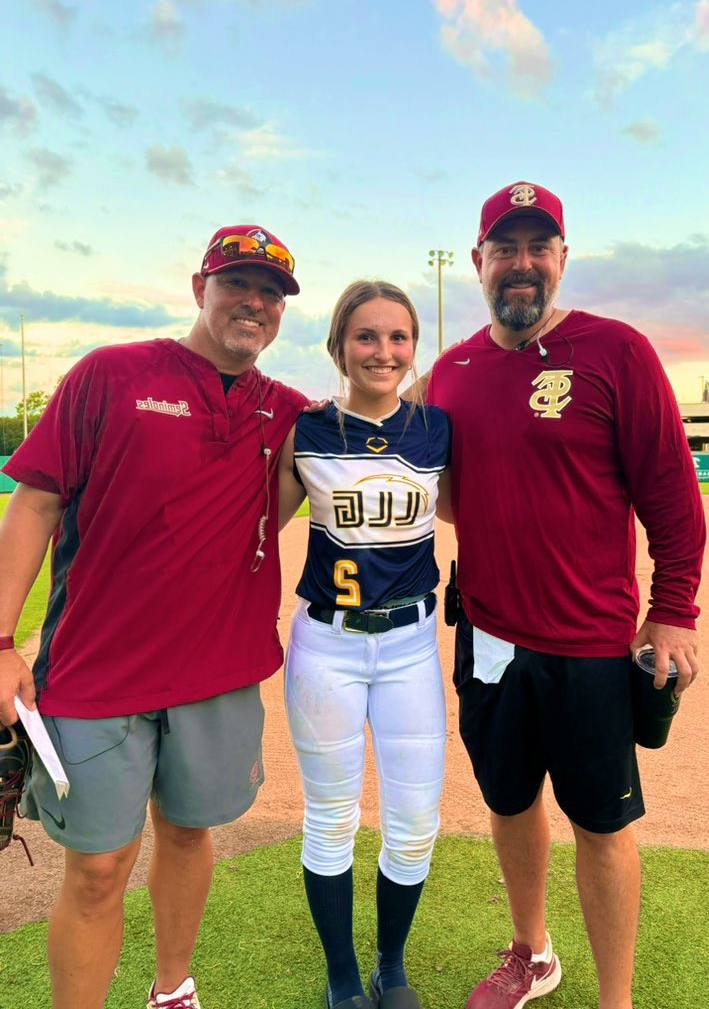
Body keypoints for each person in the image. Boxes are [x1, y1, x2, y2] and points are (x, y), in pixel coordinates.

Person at [0, 225, 307, 1009]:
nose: (254, 302)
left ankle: (173, 990)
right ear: (199, 286)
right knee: (98, 866)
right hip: (98, 669)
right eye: (238, 283)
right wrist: (1, 641)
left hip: (220, 672)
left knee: (188, 832)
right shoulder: (112, 374)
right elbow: (35, 502)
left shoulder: (291, 414)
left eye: (271, 293)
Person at [425, 182, 706, 1009]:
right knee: (508, 803)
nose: (521, 264)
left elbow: (671, 498)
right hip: (487, 636)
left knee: (603, 824)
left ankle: (612, 999)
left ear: (561, 258)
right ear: (478, 262)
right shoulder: (454, 369)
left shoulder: (616, 351)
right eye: (504, 249)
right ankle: (532, 953)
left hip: (590, 643)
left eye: (537, 247)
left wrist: (676, 609)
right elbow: (449, 492)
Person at [278, 280, 451, 1009]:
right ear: (339, 346)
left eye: (399, 337)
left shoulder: (437, 428)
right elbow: (245, 535)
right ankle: (343, 977)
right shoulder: (308, 430)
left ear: (414, 347)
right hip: (329, 646)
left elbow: (489, 516)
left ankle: (392, 966)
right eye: (367, 336)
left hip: (411, 645)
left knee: (414, 824)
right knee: (331, 819)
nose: (384, 351)